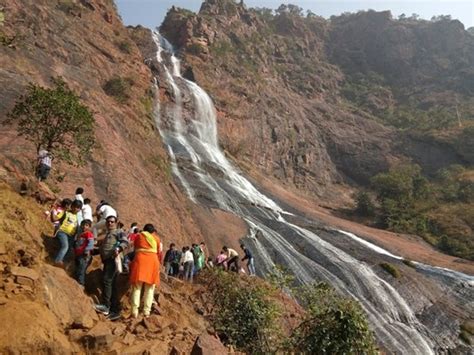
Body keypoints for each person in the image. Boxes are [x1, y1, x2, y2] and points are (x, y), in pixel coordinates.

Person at [94, 215, 128, 321]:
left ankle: (106, 306)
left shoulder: (119, 232)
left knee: (107, 281)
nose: (110, 223)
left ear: (116, 222)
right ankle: (115, 310)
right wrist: (93, 251)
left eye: (112, 222)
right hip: (107, 260)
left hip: (113, 260)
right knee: (111, 284)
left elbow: (125, 242)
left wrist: (118, 248)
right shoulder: (108, 234)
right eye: (108, 222)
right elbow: (104, 247)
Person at [129, 224, 161, 318]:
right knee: (150, 288)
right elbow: (158, 251)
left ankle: (134, 311)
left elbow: (135, 247)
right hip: (152, 262)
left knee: (137, 287)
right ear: (152, 231)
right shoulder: (156, 239)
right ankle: (146, 312)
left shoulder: (139, 236)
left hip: (140, 261)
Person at [54, 199, 82, 266]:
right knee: (65, 246)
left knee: (69, 249)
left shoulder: (78, 218)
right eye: (74, 206)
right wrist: (52, 211)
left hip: (71, 235)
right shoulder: (66, 212)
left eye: (78, 208)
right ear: (71, 206)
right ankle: (58, 261)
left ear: (80, 209)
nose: (75, 209)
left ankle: (62, 261)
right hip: (62, 232)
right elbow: (55, 219)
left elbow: (78, 228)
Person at [74, 219, 94, 286]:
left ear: (89, 227)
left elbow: (91, 242)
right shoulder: (80, 234)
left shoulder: (88, 234)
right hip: (78, 254)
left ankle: (81, 283)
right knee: (78, 267)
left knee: (81, 269)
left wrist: (87, 251)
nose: (84, 227)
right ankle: (76, 280)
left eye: (87, 225)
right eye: (83, 225)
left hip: (85, 255)